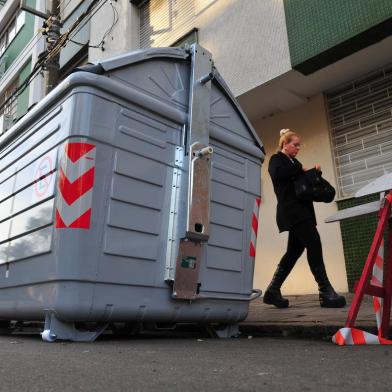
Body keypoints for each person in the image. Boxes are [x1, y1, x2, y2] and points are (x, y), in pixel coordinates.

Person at [263, 129, 346, 308]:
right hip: (293, 212)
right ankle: (325, 292)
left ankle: (272, 291)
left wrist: (313, 174)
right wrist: (300, 169)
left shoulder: (295, 163)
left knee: (293, 252)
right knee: (314, 243)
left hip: (301, 211)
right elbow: (278, 174)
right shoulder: (276, 160)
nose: (298, 148)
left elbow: (302, 186)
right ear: (285, 144)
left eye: (299, 145)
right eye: (295, 144)